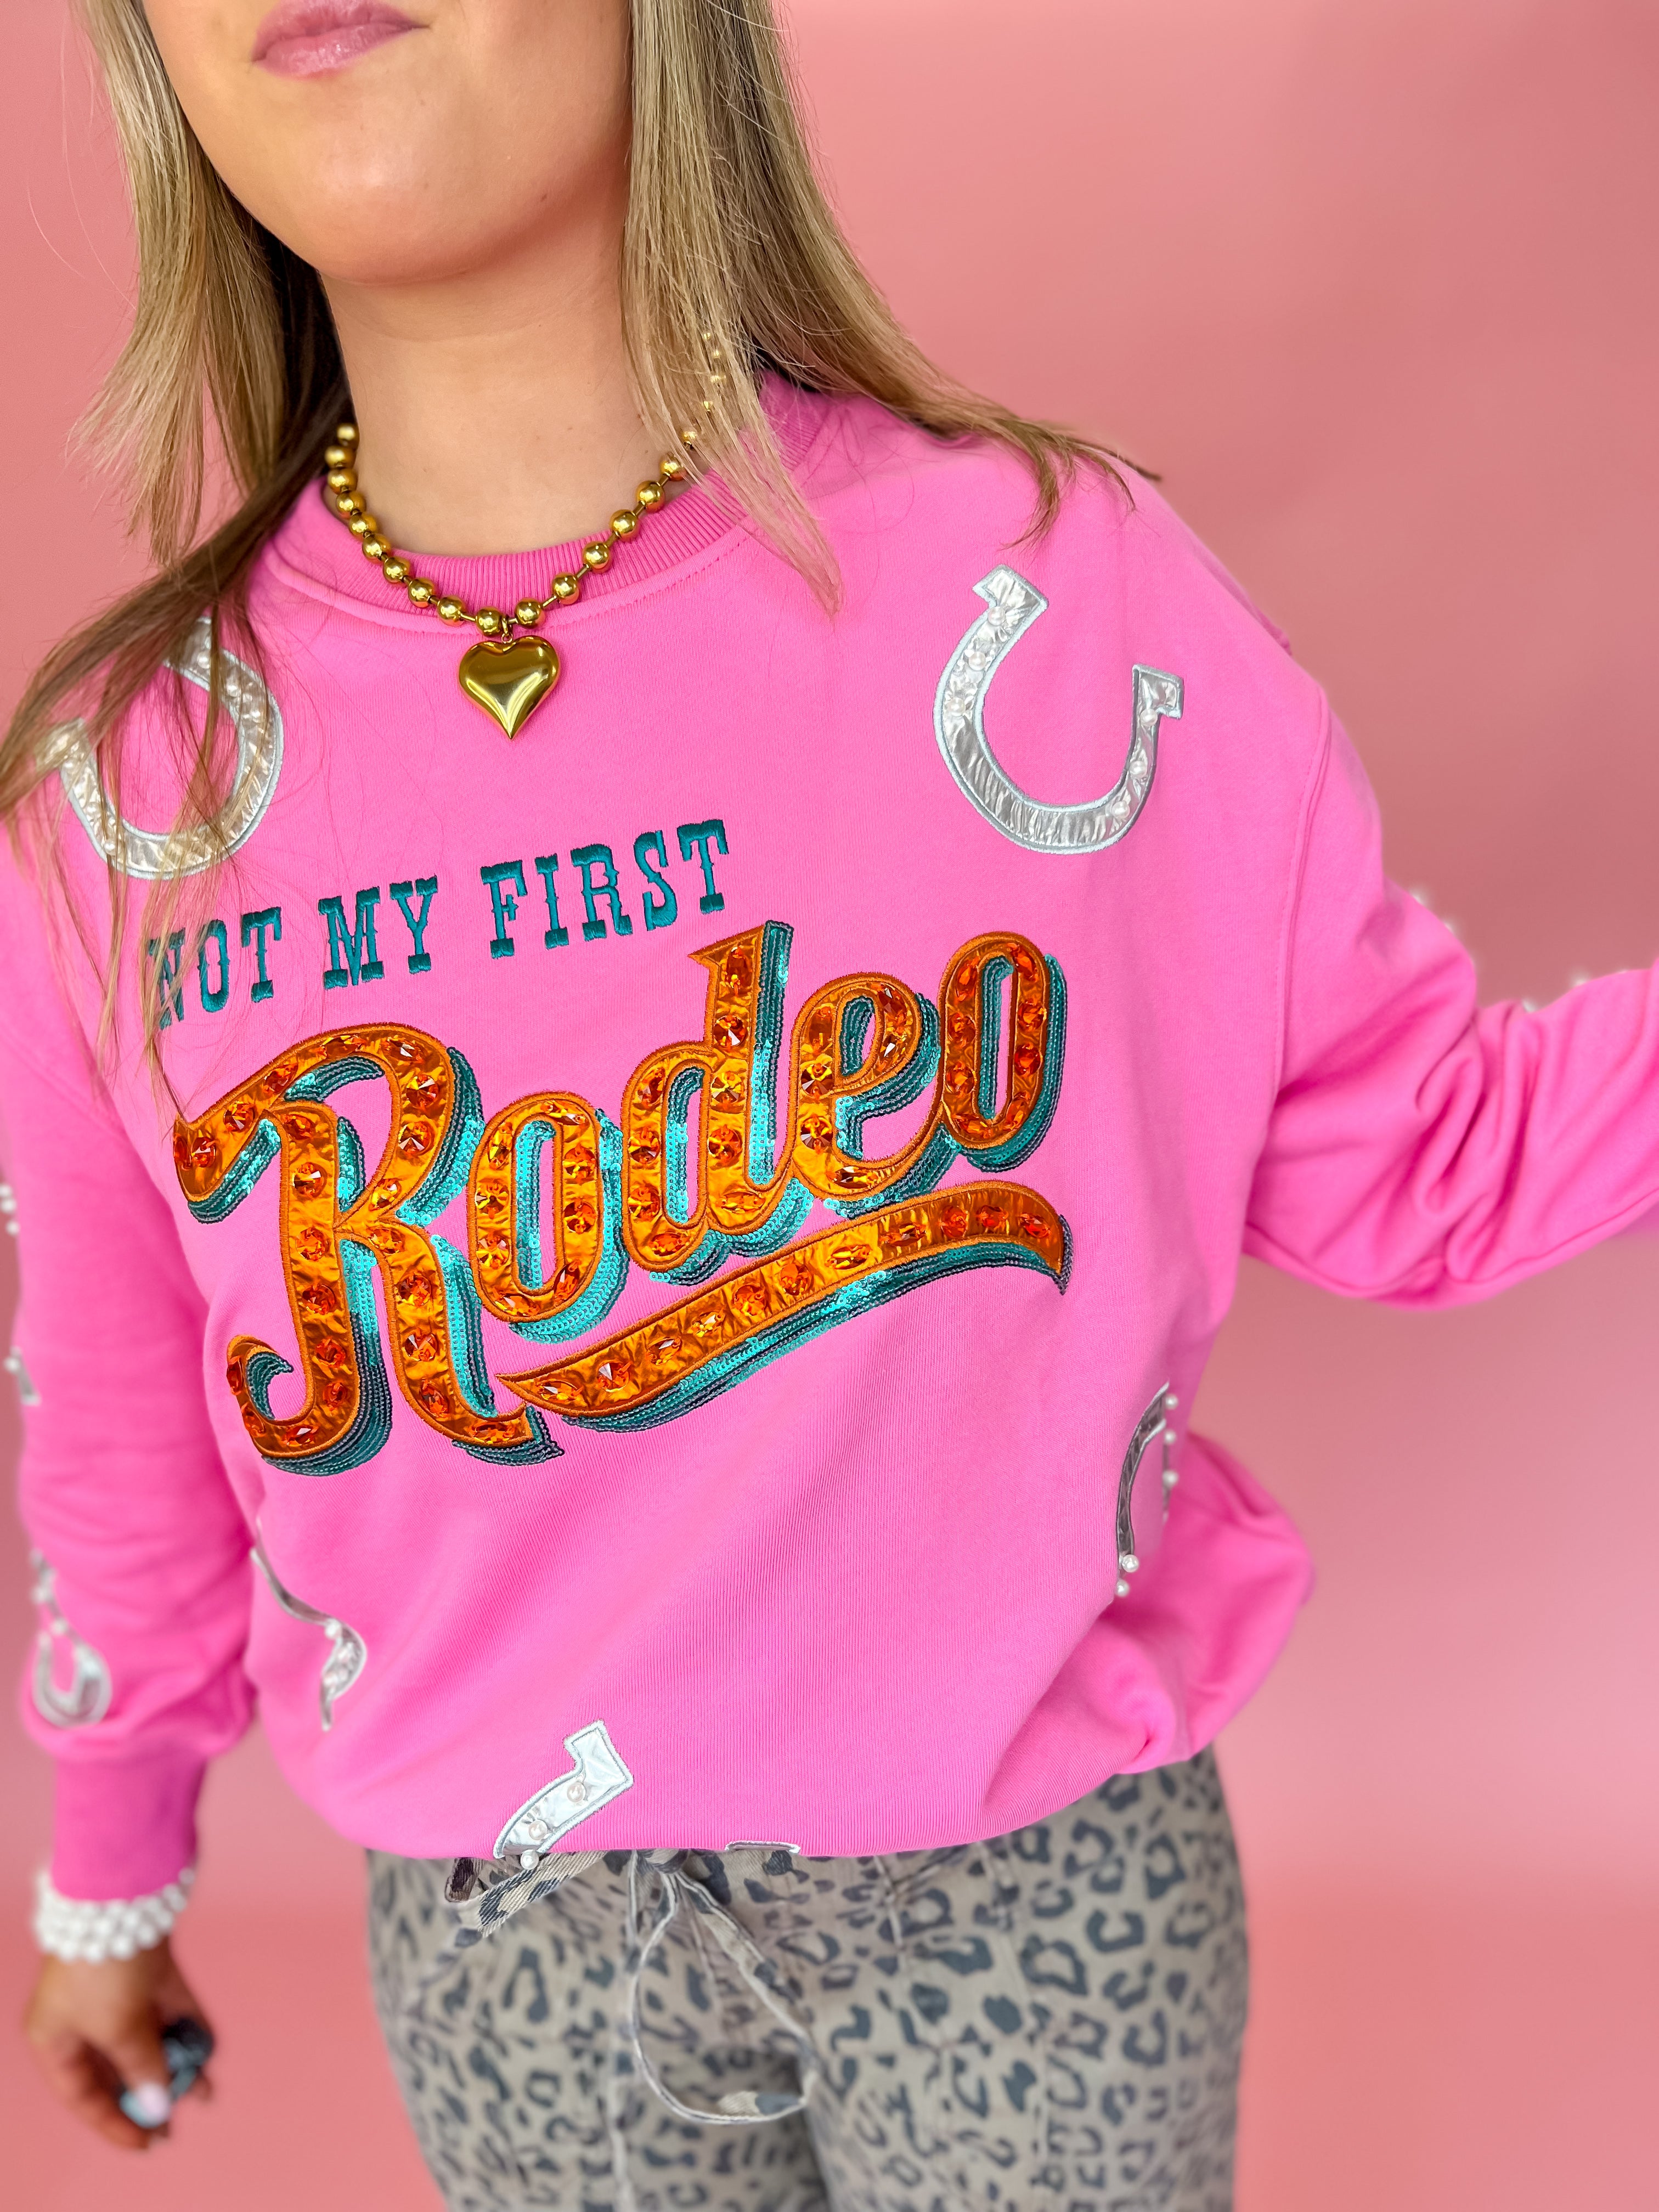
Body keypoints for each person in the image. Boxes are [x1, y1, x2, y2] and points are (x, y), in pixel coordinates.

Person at [4, 2, 1655, 2206]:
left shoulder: (1054, 602)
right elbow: (119, 1426)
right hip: (516, 1940)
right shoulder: (125, 801)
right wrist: (109, 1863)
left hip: (1039, 1887)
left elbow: (1423, 1152)